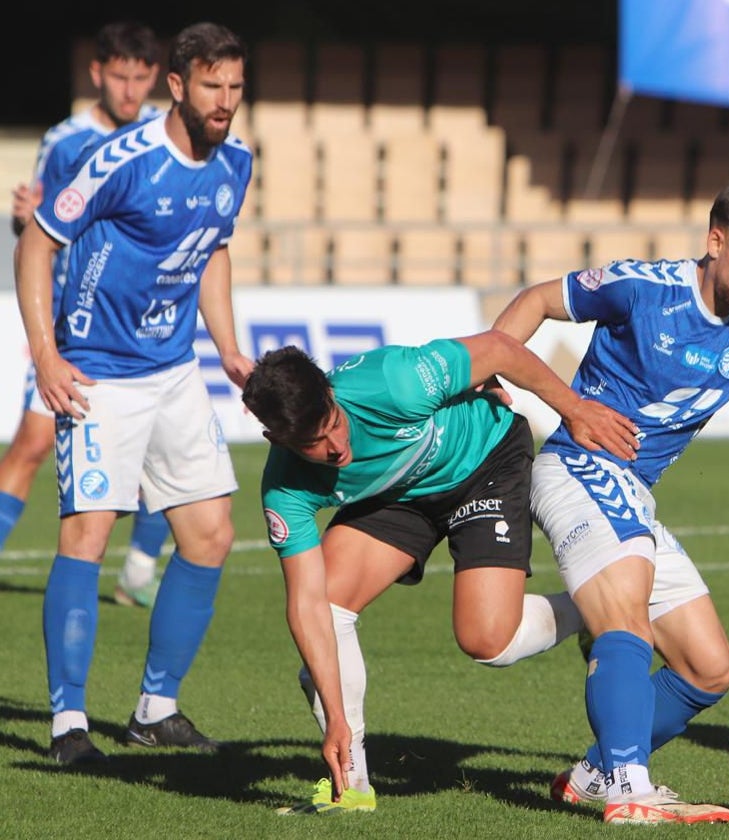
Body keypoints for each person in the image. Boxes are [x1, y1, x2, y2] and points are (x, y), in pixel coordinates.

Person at [490, 179, 729, 825]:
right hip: (579, 467)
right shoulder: (643, 286)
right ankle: (631, 790)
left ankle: (592, 775)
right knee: (626, 618)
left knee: (708, 667)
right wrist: (492, 382)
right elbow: (535, 301)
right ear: (716, 241)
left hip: (630, 493)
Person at [240, 336, 640, 815]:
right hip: (401, 495)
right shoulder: (284, 490)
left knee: (490, 642)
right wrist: (336, 719)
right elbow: (306, 606)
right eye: (311, 444)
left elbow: (499, 349)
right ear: (277, 440)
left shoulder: (394, 382)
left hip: (483, 460)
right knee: (327, 605)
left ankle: (595, 607)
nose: (335, 449)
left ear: (330, 392)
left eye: (332, 426)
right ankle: (353, 786)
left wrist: (574, 410)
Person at [14, 21, 253, 765]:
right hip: (96, 374)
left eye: (237, 88)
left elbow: (212, 251)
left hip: (175, 369)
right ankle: (68, 726)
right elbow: (36, 242)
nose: (226, 101)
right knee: (86, 536)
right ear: (177, 87)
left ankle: (155, 707)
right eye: (212, 86)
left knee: (211, 533)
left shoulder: (236, 163)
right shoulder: (118, 158)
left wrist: (230, 349)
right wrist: (47, 357)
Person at [3, 20, 171, 608]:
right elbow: (38, 227)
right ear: (97, 73)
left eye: (141, 76)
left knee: (164, 453)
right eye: (120, 75)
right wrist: (23, 219)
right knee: (31, 443)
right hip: (74, 327)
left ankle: (139, 570)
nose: (130, 89)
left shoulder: (164, 136)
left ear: (156, 77)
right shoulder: (67, 140)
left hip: (145, 326)